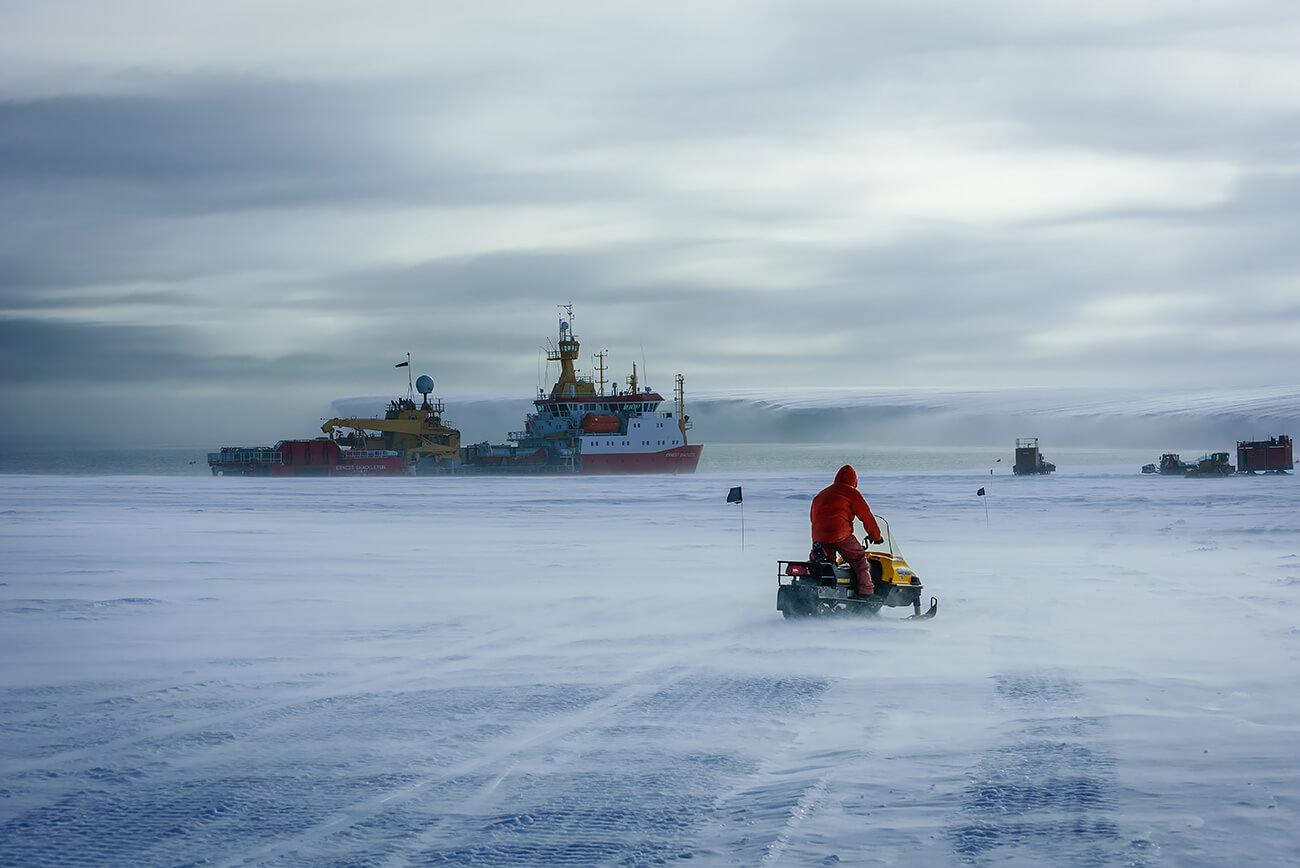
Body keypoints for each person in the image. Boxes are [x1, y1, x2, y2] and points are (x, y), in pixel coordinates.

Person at [810, 464, 883, 596]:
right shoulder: (851, 492)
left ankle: (822, 593)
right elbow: (867, 517)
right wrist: (876, 536)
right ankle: (866, 594)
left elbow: (813, 517)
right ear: (854, 480)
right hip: (841, 534)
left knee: (825, 565)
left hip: (819, 536)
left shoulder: (822, 493)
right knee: (859, 559)